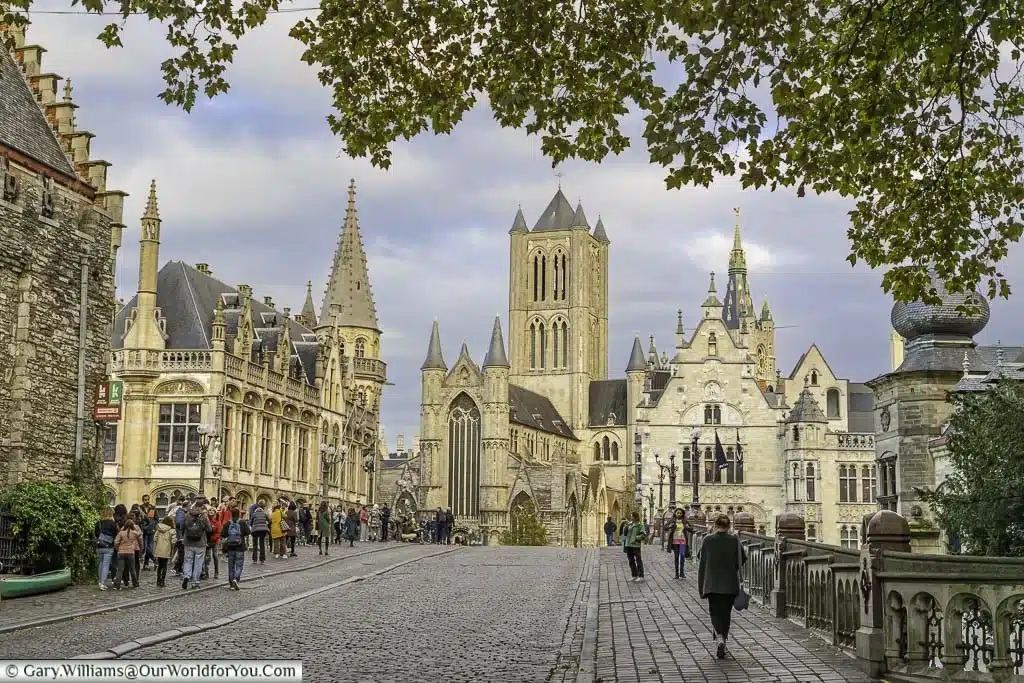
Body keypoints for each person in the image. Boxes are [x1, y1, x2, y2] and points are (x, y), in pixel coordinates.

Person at [697, 513, 747, 659]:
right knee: (725, 613)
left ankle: (719, 637)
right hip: (730, 584)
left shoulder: (708, 540)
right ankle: (723, 638)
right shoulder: (734, 540)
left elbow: (701, 557)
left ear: (715, 525)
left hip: (712, 583)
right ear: (729, 526)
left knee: (714, 611)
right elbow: (742, 559)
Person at [181, 502, 212, 589]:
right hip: (200, 543)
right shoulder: (203, 517)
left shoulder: (187, 515)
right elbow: (209, 529)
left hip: (188, 542)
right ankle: (195, 582)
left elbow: (181, 527)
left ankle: (187, 575)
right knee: (198, 563)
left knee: (188, 560)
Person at [220, 507, 251, 590]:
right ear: (239, 514)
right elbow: (248, 532)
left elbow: (222, 534)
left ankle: (231, 584)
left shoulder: (227, 523)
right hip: (240, 547)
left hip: (230, 547)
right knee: (239, 565)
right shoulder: (242, 522)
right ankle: (236, 579)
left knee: (231, 566)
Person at [112, 518, 142, 589]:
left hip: (121, 552)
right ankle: (135, 584)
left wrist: (118, 548)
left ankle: (117, 585)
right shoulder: (134, 533)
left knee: (120, 569)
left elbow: (116, 542)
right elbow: (140, 537)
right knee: (132, 569)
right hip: (131, 552)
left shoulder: (121, 533)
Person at [94, 506, 117, 590]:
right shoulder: (112, 523)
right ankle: (103, 583)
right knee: (106, 565)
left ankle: (100, 581)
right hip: (108, 546)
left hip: (99, 546)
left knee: (100, 563)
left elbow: (96, 534)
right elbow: (115, 534)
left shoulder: (98, 523)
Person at [623, 511, 647, 582]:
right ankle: (634, 575)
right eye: (631, 516)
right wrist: (626, 526)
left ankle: (641, 576)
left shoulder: (640, 525)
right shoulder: (630, 524)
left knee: (638, 560)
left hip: (636, 545)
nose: (631, 518)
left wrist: (636, 538)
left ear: (636, 517)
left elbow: (643, 535)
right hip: (628, 545)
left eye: (632, 516)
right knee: (631, 561)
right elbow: (624, 533)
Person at [153, 514, 176, 588]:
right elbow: (173, 541)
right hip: (167, 549)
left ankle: (158, 580)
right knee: (165, 565)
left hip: (159, 549)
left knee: (160, 565)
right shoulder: (172, 530)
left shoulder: (159, 528)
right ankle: (162, 581)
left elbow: (155, 538)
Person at [666, 508, 689, 579]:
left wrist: (687, 527)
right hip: (675, 541)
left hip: (682, 541)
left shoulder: (684, 521)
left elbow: (691, 528)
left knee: (682, 556)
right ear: (675, 513)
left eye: (680, 513)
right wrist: (670, 526)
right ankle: (676, 574)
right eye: (677, 513)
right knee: (676, 557)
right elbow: (665, 527)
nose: (679, 514)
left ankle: (682, 573)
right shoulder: (672, 520)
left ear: (682, 514)